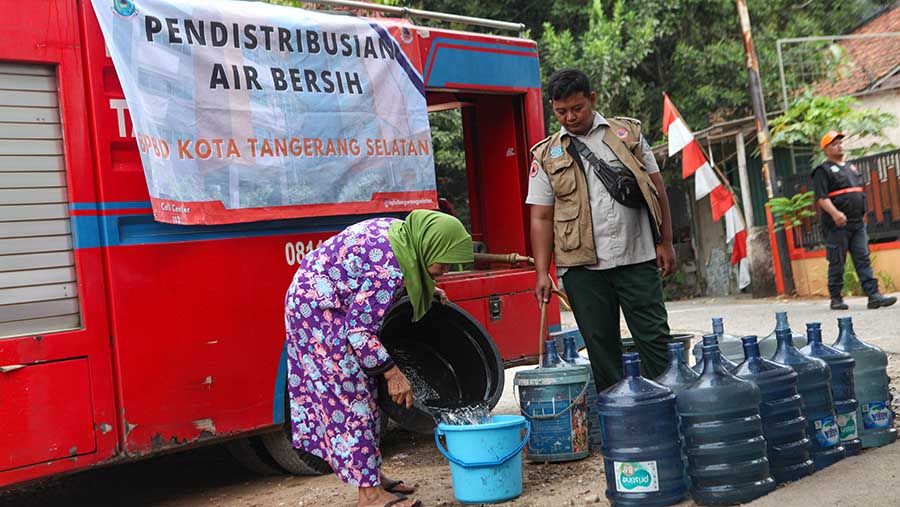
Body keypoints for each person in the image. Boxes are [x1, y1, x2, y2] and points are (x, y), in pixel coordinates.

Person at [284, 210, 473, 507]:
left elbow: (370, 281)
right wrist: (393, 373)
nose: (446, 269)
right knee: (352, 397)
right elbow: (359, 331)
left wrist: (425, 286)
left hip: (325, 298)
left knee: (367, 393)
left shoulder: (406, 237)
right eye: (444, 262)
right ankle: (369, 495)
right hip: (318, 312)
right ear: (430, 245)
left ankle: (371, 475)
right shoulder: (391, 267)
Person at [527, 69, 676, 392]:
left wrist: (666, 242)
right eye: (561, 111)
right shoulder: (545, 155)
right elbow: (541, 217)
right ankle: (620, 423)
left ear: (592, 100)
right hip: (582, 269)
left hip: (637, 255)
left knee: (655, 340)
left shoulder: (628, 134)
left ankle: (667, 412)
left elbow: (657, 189)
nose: (570, 117)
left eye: (577, 108)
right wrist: (542, 272)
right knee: (601, 349)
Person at [813, 131, 896, 310]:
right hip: (836, 225)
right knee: (837, 261)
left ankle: (873, 296)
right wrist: (835, 213)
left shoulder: (851, 167)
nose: (839, 146)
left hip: (857, 223)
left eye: (840, 142)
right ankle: (836, 298)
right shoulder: (823, 170)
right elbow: (821, 197)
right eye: (834, 144)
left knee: (863, 259)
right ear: (826, 149)